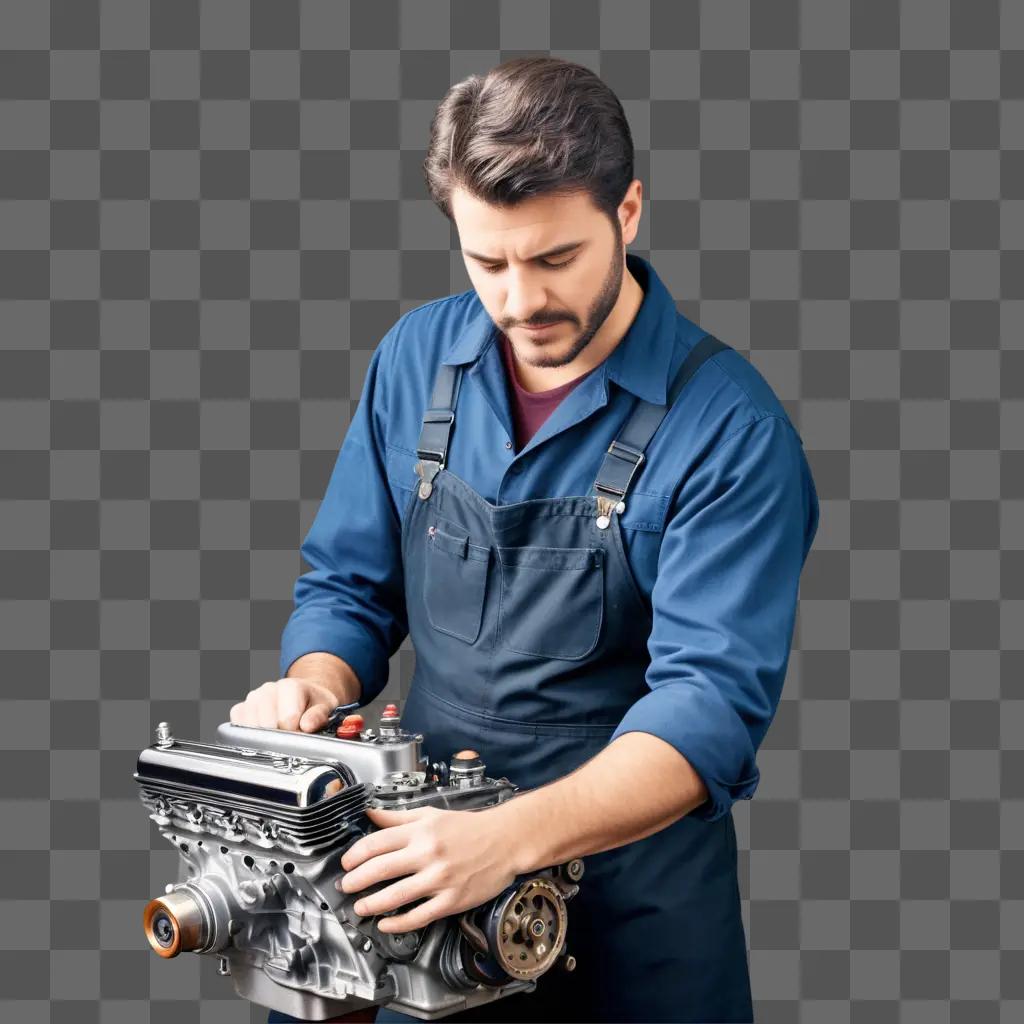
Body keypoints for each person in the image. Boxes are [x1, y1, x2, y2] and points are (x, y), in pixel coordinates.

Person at [236, 56, 820, 1024]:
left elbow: (708, 706)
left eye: (554, 259)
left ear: (626, 213)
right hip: (415, 883)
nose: (517, 302)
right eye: (487, 261)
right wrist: (319, 680)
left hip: (631, 922)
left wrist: (505, 840)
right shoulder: (416, 358)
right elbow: (346, 585)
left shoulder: (732, 431)